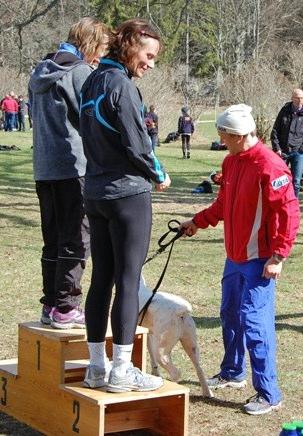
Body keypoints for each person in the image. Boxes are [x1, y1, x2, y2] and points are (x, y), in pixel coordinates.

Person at [180, 104, 300, 415]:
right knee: (229, 313)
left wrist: (278, 255)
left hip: (260, 260)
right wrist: (196, 221)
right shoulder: (232, 162)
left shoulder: (270, 166)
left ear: (238, 135)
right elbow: (223, 205)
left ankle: (269, 393)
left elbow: (289, 213)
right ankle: (233, 372)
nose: (220, 139)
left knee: (255, 322)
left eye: (223, 135)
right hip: (234, 258)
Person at [79, 18, 171, 393]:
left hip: (95, 192)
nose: (151, 63)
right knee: (128, 281)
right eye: (148, 55)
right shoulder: (122, 86)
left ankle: (96, 368)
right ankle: (121, 371)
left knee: (101, 278)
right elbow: (137, 145)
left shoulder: (91, 81)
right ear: (130, 46)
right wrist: (158, 174)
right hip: (127, 193)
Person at [28, 17, 111, 329]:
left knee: (53, 238)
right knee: (76, 238)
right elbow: (89, 119)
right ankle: (66, 306)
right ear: (89, 43)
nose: (101, 57)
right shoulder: (79, 71)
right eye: (101, 48)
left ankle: (51, 303)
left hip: (45, 167)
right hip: (74, 167)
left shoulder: (39, 69)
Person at [271, 88, 303, 197]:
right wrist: (277, 149)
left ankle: (293, 205)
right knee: (279, 181)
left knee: (296, 182)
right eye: (297, 98)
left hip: (298, 152)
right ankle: (279, 203)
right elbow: (275, 131)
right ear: (292, 98)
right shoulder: (284, 111)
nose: (300, 100)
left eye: (302, 98)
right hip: (283, 151)